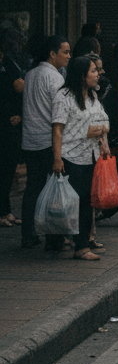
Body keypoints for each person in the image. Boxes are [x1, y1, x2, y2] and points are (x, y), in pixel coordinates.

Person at [51, 55, 110, 260]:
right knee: (70, 203)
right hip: (70, 157)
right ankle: (59, 241)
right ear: (82, 75)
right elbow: (57, 130)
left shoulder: (93, 96)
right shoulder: (64, 96)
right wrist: (57, 159)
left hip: (91, 156)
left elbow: (103, 119)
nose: (98, 74)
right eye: (94, 71)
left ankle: (82, 246)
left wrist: (104, 139)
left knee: (87, 201)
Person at [20, 35, 71, 250]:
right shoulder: (56, 78)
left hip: (30, 140)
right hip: (49, 141)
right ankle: (54, 237)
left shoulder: (30, 74)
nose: (69, 56)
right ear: (52, 54)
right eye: (65, 52)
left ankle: (28, 234)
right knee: (54, 190)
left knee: (33, 187)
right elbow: (58, 115)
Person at [0, 34, 24, 227]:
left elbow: (20, 86)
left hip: (10, 125)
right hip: (4, 123)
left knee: (7, 169)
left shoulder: (8, 63)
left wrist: (20, 115)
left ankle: (5, 210)